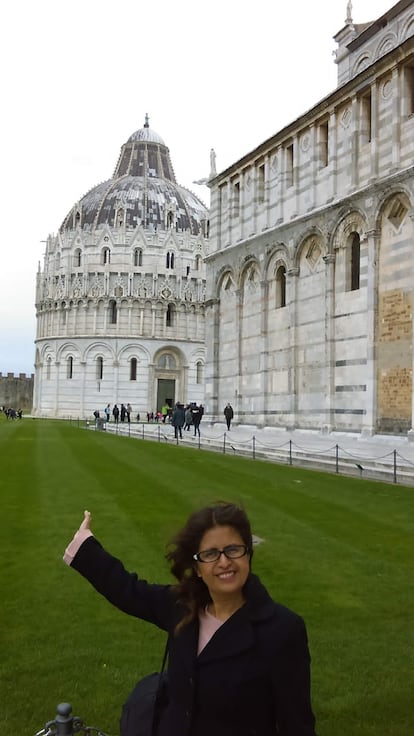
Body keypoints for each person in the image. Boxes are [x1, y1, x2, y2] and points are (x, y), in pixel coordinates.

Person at [63, 502, 317, 736]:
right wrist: (85, 546)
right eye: (210, 554)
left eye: (233, 550)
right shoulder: (183, 607)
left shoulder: (282, 630)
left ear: (248, 554)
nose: (224, 562)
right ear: (197, 567)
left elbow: (296, 724)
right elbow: (129, 591)